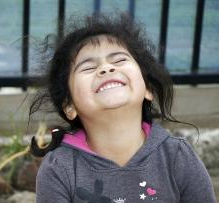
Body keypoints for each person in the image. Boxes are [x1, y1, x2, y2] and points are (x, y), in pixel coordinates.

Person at [29, 12, 217, 203]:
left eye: (119, 60)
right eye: (88, 67)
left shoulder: (178, 157)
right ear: (69, 106)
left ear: (148, 89)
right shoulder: (59, 168)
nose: (106, 68)